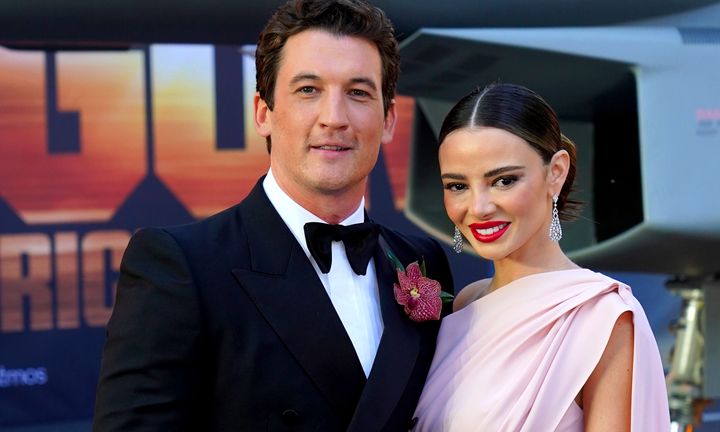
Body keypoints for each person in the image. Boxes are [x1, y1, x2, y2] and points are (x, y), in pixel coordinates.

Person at [92, 1, 453, 430]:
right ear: (264, 113)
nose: (334, 118)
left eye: (358, 93)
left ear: (389, 118)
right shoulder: (180, 264)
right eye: (308, 90)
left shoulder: (422, 260)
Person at [412, 83, 669, 431]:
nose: (479, 207)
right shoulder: (464, 304)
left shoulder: (603, 316)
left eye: (504, 180)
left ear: (556, 173)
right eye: (458, 186)